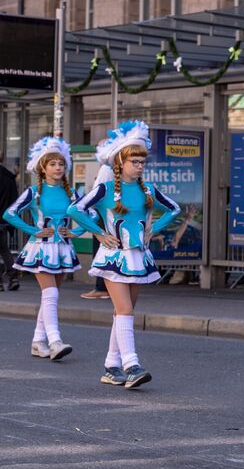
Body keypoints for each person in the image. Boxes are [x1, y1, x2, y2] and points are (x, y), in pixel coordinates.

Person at [68, 120, 181, 389]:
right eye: (135, 161)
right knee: (125, 310)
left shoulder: (148, 190)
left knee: (124, 313)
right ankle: (132, 365)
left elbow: (174, 209)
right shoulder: (106, 189)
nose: (140, 166)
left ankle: (111, 366)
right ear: (121, 162)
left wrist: (154, 228)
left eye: (142, 161)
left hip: (138, 256)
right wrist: (98, 233)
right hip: (113, 256)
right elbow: (75, 210)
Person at [3, 137, 83, 360]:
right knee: (51, 294)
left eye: (61, 164)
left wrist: (75, 232)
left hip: (63, 249)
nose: (58, 168)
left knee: (50, 297)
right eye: (52, 164)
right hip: (41, 249)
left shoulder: (72, 193)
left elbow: (91, 215)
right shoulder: (34, 193)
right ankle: (55, 342)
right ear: (43, 168)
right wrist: (33, 230)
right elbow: (9, 214)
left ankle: (38, 342)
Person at [80, 143, 113, 300]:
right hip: (111, 214)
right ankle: (107, 287)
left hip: (102, 214)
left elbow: (98, 192)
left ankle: (102, 287)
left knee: (101, 249)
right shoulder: (112, 168)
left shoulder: (106, 168)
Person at [0, 153, 21, 291]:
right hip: (5, 219)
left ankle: (4, 281)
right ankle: (13, 277)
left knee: (3, 249)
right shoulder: (9, 177)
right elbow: (14, 199)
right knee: (4, 249)